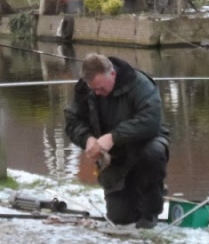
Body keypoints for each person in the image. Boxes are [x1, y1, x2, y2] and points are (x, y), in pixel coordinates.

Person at [65, 53, 170, 228]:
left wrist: (114, 136)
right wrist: (87, 139)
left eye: (100, 88)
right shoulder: (85, 89)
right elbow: (72, 122)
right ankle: (132, 194)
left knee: (153, 153)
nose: (97, 93)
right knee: (120, 218)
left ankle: (150, 212)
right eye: (93, 89)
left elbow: (150, 121)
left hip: (146, 144)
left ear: (112, 74)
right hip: (114, 158)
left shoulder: (140, 84)